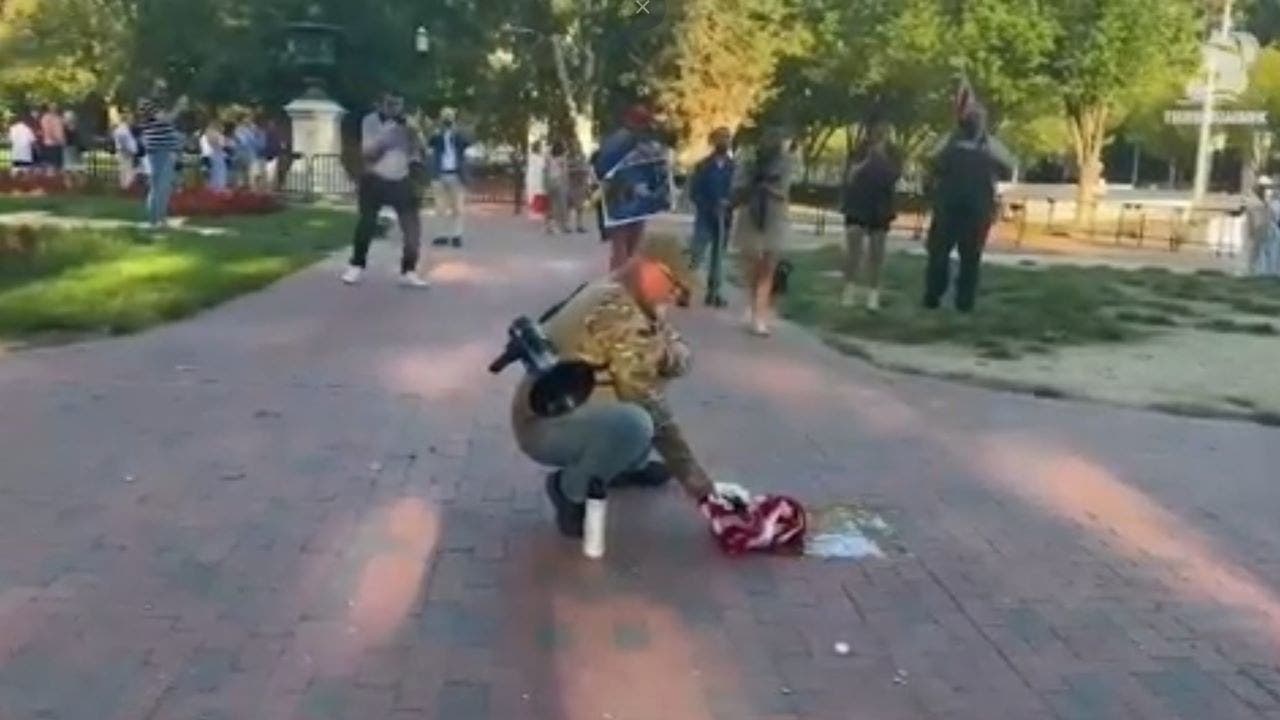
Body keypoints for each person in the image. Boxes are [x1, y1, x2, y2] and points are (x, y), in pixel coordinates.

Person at [510, 234, 714, 538]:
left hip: (572, 408)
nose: (676, 297)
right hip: (543, 426)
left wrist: (669, 355)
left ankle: (625, 465)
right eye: (675, 286)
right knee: (638, 423)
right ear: (650, 267)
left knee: (646, 372)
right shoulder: (618, 310)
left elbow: (673, 349)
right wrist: (695, 480)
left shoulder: (626, 288)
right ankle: (569, 490)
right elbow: (648, 401)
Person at [922, 107, 1015, 313]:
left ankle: (933, 296)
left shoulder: (948, 147)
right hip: (977, 211)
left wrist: (931, 194)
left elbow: (931, 166)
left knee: (939, 254)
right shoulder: (991, 149)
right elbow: (1008, 168)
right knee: (971, 258)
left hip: (948, 209)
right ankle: (964, 302)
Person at [342, 91, 429, 288]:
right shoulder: (370, 121)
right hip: (374, 178)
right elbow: (369, 152)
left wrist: (415, 132)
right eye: (390, 104)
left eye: (398, 104)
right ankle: (356, 265)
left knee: (412, 229)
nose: (395, 109)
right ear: (381, 104)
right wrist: (392, 133)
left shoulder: (407, 124)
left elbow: (419, 151)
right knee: (366, 224)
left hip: (401, 179)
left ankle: (409, 270)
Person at [731, 126, 794, 337]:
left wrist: (763, 187)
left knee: (768, 268)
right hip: (751, 215)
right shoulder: (750, 162)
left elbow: (782, 190)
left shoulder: (786, 163)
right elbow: (739, 186)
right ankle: (753, 305)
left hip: (774, 217)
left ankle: (760, 315)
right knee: (753, 266)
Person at [840, 119, 903, 311]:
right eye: (878, 131)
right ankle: (849, 291)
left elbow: (895, 177)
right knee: (854, 250)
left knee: (877, 253)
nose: (881, 135)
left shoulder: (894, 153)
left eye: (885, 131)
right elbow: (850, 175)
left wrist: (883, 158)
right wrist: (868, 160)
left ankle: (872, 296)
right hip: (858, 204)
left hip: (881, 207)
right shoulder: (860, 149)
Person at [595, 105, 660, 271]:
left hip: (632, 201)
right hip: (622, 200)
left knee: (627, 248)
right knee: (623, 249)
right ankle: (620, 282)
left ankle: (623, 280)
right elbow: (603, 168)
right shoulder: (621, 140)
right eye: (644, 122)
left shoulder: (639, 142)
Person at [687, 127, 736, 307]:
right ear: (713, 141)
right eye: (720, 138)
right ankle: (684, 287)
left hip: (725, 218)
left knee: (719, 257)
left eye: (727, 138)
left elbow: (739, 191)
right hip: (705, 217)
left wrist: (729, 203)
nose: (724, 141)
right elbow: (694, 192)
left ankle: (714, 292)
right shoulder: (703, 166)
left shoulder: (734, 167)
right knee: (696, 253)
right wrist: (709, 205)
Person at [138, 91, 188, 229]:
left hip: (164, 149)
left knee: (162, 186)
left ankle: (159, 219)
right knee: (160, 185)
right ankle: (156, 220)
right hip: (159, 149)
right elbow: (165, 119)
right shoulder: (147, 103)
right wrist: (179, 106)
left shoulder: (156, 104)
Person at [427, 107, 471, 247]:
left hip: (456, 175)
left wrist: (456, 130)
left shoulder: (458, 135)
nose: (447, 119)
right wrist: (437, 130)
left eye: (450, 116)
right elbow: (429, 142)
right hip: (439, 175)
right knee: (440, 208)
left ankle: (457, 235)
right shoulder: (437, 135)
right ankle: (442, 235)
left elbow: (467, 142)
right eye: (445, 116)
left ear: (453, 118)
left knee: (458, 208)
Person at [543, 140, 570, 234]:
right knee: (557, 205)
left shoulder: (551, 157)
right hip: (556, 182)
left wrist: (545, 183)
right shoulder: (560, 158)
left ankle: (554, 225)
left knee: (555, 205)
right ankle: (559, 226)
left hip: (554, 182)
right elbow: (564, 172)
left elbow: (546, 171)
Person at [566, 144, 592, 233]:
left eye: (577, 146)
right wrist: (577, 169)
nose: (575, 148)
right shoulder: (567, 158)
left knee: (580, 207)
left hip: (581, 185)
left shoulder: (582, 157)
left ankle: (580, 225)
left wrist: (587, 184)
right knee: (569, 207)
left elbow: (587, 169)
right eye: (573, 147)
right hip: (571, 185)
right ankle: (567, 225)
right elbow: (565, 170)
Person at [111, 112, 139, 190]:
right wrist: (127, 150)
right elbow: (122, 142)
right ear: (126, 120)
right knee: (127, 170)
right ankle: (126, 187)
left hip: (126, 152)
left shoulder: (124, 129)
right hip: (126, 152)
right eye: (131, 119)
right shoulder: (122, 130)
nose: (132, 121)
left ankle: (125, 186)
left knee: (126, 169)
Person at [199, 120, 229, 192]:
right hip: (216, 158)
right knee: (218, 177)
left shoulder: (204, 137)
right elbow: (223, 145)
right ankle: (218, 191)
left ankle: (212, 191)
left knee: (211, 178)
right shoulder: (218, 136)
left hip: (208, 158)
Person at [38, 105, 66, 172]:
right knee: (56, 167)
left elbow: (43, 130)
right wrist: (58, 139)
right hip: (55, 144)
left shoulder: (45, 118)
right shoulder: (53, 118)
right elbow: (50, 130)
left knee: (51, 166)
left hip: (49, 144)